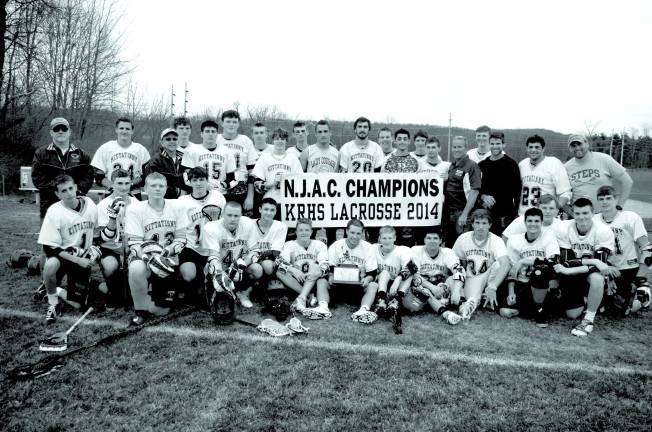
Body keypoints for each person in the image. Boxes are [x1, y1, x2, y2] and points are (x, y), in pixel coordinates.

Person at [124, 173, 188, 325]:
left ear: (166, 188)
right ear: (145, 188)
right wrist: (149, 258)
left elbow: (181, 239)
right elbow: (134, 243)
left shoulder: (178, 206)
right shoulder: (135, 209)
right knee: (136, 269)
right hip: (144, 257)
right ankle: (140, 310)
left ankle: (155, 293)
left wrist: (167, 252)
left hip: (167, 258)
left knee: (159, 311)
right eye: (153, 186)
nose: (157, 189)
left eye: (161, 186)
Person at [37, 175, 98, 323]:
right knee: (50, 265)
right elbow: (50, 248)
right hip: (64, 256)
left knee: (78, 305)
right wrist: (77, 259)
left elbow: (97, 232)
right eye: (64, 191)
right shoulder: (54, 211)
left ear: (76, 187)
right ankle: (53, 303)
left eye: (71, 188)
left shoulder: (90, 204)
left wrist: (93, 251)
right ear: (57, 194)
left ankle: (53, 290)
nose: (69, 193)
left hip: (82, 257)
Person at [553, 198, 615, 336]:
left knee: (597, 278)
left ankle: (588, 320)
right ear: (573, 214)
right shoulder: (563, 228)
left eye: (585, 213)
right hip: (571, 272)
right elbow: (566, 260)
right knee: (572, 314)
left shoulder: (603, 231)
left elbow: (599, 267)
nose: (581, 217)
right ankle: (592, 299)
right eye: (578, 213)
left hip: (584, 273)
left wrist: (571, 269)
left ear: (593, 213)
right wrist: (594, 261)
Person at [305, 219, 378, 323]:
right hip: (337, 286)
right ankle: (323, 308)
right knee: (321, 281)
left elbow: (372, 273)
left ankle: (363, 310)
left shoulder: (368, 247)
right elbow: (329, 267)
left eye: (358, 233)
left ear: (362, 233)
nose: (355, 236)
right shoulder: (336, 245)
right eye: (352, 232)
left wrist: (367, 279)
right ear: (347, 231)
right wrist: (330, 276)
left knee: (373, 285)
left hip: (358, 288)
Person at [593, 186, 650, 315]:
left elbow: (647, 248)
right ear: (597, 201)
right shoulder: (594, 220)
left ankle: (642, 296)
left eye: (608, 198)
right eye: (601, 199)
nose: (605, 202)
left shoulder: (630, 218)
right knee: (601, 307)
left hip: (628, 268)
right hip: (605, 268)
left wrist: (640, 276)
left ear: (616, 199)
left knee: (621, 310)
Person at [499, 207, 560, 327]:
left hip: (541, 284)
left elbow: (553, 262)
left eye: (536, 221)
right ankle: (533, 309)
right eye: (530, 221)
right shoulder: (514, 240)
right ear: (525, 222)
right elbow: (512, 269)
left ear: (542, 223)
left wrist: (524, 261)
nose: (533, 224)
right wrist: (511, 291)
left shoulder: (548, 236)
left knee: (540, 271)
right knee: (505, 312)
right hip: (522, 283)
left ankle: (539, 310)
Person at [177, 167, 226, 304]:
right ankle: (182, 284)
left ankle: (203, 284)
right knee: (188, 275)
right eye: (195, 180)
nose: (198, 183)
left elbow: (224, 223)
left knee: (212, 284)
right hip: (192, 247)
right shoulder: (182, 201)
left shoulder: (217, 197)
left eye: (202, 179)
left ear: (207, 180)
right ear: (189, 182)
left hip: (212, 247)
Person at [395, 229, 465, 324]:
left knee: (453, 280)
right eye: (429, 238)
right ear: (424, 240)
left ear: (440, 241)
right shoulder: (416, 250)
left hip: (442, 284)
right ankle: (446, 313)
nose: (432, 241)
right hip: (423, 284)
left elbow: (459, 270)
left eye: (435, 238)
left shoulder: (448, 252)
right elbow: (415, 275)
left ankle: (463, 306)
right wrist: (432, 287)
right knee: (424, 291)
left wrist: (456, 291)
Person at [451, 209, 511, 321]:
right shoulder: (463, 238)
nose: (480, 227)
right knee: (472, 300)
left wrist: (493, 286)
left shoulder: (496, 240)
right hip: (472, 277)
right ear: (472, 224)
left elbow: (506, 264)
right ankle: (480, 299)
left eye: (484, 223)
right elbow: (455, 261)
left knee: (498, 265)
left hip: (490, 276)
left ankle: (491, 292)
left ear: (490, 225)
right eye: (477, 223)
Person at [32, 117, 95, 220]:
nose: (60, 132)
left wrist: (74, 193)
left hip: (75, 205)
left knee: (75, 235)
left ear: (69, 132)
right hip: (49, 206)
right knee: (50, 236)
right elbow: (38, 179)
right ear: (51, 132)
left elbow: (88, 178)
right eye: (56, 129)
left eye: (64, 129)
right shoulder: (40, 154)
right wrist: (60, 192)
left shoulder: (83, 155)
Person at [94, 169, 138, 310]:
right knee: (110, 266)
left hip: (131, 248)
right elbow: (102, 239)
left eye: (127, 183)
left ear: (131, 183)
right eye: (119, 183)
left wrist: (132, 250)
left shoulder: (137, 203)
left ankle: (114, 288)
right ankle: (109, 292)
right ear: (112, 184)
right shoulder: (102, 205)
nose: (124, 187)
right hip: (111, 248)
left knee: (130, 296)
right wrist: (120, 252)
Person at [202, 201, 259, 308]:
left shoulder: (248, 224)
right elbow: (213, 256)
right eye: (229, 215)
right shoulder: (212, 227)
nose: (232, 219)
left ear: (241, 215)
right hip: (219, 267)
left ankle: (242, 292)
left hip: (238, 268)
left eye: (236, 216)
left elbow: (255, 251)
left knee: (257, 269)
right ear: (223, 214)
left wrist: (241, 264)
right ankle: (224, 291)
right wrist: (219, 274)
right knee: (216, 305)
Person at [564, 134, 633, 210]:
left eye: (579, 144)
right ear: (570, 148)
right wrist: (571, 214)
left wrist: (619, 206)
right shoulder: (566, 168)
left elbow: (627, 181)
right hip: (580, 216)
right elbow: (561, 194)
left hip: (604, 214)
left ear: (587, 143)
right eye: (573, 146)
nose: (577, 148)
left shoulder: (604, 159)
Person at [276, 218, 329, 314]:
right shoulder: (289, 244)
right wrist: (293, 270)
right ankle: (308, 296)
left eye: (307, 230)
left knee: (314, 266)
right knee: (280, 272)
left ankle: (301, 298)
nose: (304, 233)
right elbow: (279, 262)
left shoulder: (319, 245)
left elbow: (325, 265)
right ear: (296, 232)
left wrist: (317, 272)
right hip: (297, 280)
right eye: (300, 230)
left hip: (313, 280)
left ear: (311, 232)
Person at [91, 117, 150, 198]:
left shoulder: (141, 150)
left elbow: (146, 176)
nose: (124, 131)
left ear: (132, 131)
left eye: (127, 129)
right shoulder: (105, 148)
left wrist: (130, 184)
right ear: (116, 130)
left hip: (134, 194)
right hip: (111, 193)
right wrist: (114, 186)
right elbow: (98, 176)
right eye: (121, 128)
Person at [478, 131, 521, 235]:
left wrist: (513, 215)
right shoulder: (482, 165)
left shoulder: (511, 164)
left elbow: (517, 191)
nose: (495, 146)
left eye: (498, 144)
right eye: (492, 144)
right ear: (489, 144)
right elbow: (476, 188)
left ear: (503, 144)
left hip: (504, 216)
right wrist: (483, 196)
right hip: (485, 214)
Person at [518, 134, 571, 216]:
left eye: (537, 147)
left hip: (544, 216)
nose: (533, 150)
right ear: (527, 148)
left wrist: (557, 207)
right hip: (523, 215)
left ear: (543, 149)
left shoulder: (553, 163)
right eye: (530, 147)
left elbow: (565, 192)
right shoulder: (522, 164)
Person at [443, 136, 482, 247]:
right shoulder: (452, 166)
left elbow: (474, 191)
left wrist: (465, 214)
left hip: (462, 213)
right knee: (450, 246)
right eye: (454, 147)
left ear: (466, 147)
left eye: (459, 147)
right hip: (449, 213)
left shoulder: (472, 166)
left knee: (463, 247)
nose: (456, 149)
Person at [251, 127, 303, 209]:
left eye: (282, 139)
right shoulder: (265, 157)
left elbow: (300, 180)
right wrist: (268, 185)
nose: (279, 141)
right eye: (277, 139)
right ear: (272, 140)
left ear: (286, 140)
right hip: (269, 200)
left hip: (289, 201)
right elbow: (256, 183)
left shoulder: (293, 158)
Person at [181, 119, 236, 195]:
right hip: (198, 193)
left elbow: (233, 178)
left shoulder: (227, 151)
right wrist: (204, 185)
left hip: (220, 193)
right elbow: (186, 177)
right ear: (201, 134)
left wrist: (224, 185)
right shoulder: (191, 151)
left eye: (213, 131)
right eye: (207, 131)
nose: (210, 134)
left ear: (217, 134)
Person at [247, 198, 288, 290]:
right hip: (250, 259)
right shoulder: (249, 224)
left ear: (276, 211)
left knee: (268, 266)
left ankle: (266, 288)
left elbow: (275, 252)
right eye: (266, 209)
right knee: (257, 269)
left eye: (272, 210)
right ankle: (249, 289)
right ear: (260, 209)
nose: (269, 213)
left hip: (267, 259)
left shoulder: (281, 226)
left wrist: (259, 256)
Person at [369, 226, 412, 315]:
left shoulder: (402, 250)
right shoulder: (373, 248)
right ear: (379, 239)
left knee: (410, 275)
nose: (387, 241)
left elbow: (412, 267)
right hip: (380, 284)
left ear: (395, 238)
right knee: (384, 272)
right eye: (384, 238)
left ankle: (396, 301)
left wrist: (398, 279)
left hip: (396, 286)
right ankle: (381, 301)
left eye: (390, 238)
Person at [217, 110, 253, 205]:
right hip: (218, 185)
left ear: (238, 124)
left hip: (241, 186)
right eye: (228, 121)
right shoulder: (216, 139)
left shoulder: (245, 141)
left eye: (234, 122)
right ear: (222, 123)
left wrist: (250, 196)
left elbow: (251, 171)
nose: (231, 125)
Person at [145, 128, 187, 199]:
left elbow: (192, 179)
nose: (172, 141)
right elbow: (153, 184)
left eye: (174, 139)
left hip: (185, 200)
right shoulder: (155, 161)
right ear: (161, 142)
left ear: (178, 142)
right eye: (168, 139)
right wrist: (178, 192)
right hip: (163, 200)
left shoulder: (186, 158)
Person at [245, 122, 272, 217]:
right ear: (252, 135)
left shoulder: (274, 149)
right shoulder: (248, 150)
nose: (259, 135)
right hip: (255, 192)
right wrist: (250, 197)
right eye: (256, 133)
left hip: (272, 189)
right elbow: (250, 175)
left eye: (261, 132)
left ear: (266, 134)